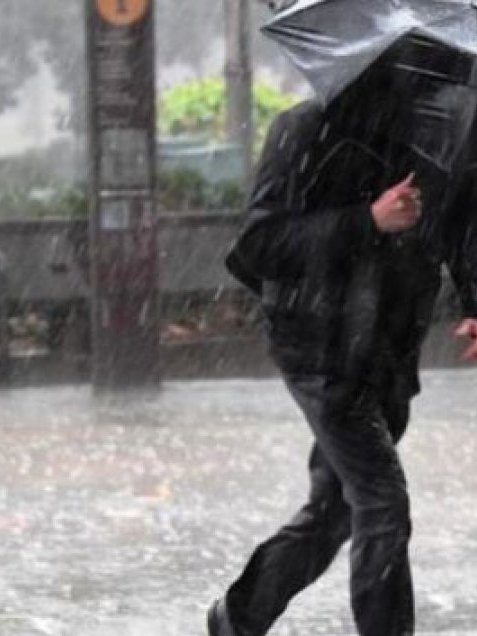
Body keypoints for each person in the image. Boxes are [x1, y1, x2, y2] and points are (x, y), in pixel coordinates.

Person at [206, 68, 477, 636]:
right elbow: (258, 245)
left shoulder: (437, 134)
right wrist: (366, 221)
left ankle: (238, 618)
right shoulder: (302, 129)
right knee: (383, 504)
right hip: (320, 348)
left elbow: (459, 225)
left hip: (390, 348)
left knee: (336, 513)